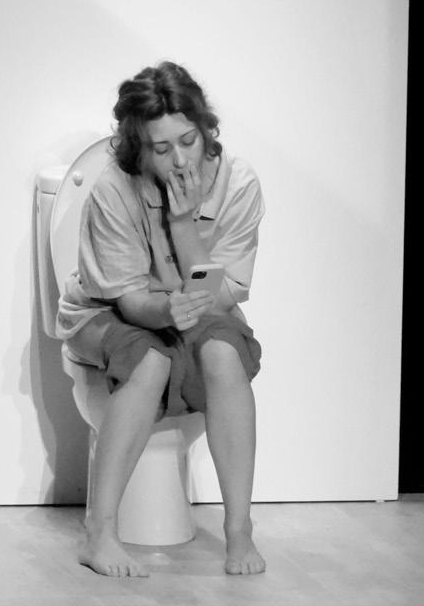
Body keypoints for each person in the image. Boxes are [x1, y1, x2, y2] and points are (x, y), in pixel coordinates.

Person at [56, 61, 266, 577]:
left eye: (188, 141)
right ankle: (98, 534)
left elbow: (216, 299)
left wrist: (182, 223)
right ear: (139, 148)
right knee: (149, 360)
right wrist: (165, 308)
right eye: (161, 148)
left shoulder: (238, 184)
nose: (180, 159)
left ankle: (239, 529)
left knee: (223, 354)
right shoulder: (114, 188)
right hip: (110, 311)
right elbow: (129, 301)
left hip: (200, 305)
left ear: (205, 128)